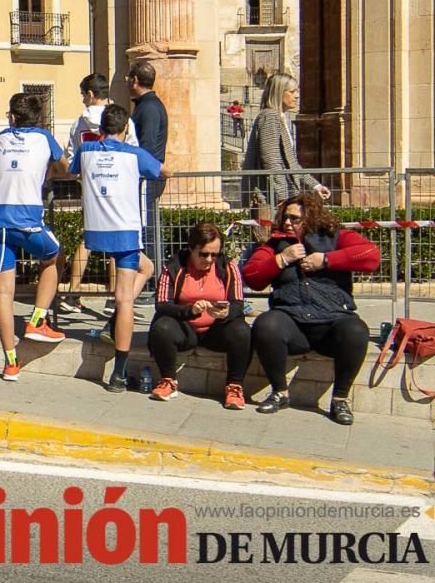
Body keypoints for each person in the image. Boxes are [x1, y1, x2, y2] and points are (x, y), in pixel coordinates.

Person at [243, 192, 380, 425]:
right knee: (266, 324)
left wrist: (326, 260)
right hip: (292, 322)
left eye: (294, 219)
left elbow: (371, 256)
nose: (287, 222)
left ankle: (340, 399)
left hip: (332, 321)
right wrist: (281, 260)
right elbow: (252, 276)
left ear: (311, 218)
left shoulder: (336, 237)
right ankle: (280, 392)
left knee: (356, 330)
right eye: (285, 217)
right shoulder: (274, 245)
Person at [69, 105, 172, 392]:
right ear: (126, 129)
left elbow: (71, 169)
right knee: (125, 299)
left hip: (96, 229)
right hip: (125, 231)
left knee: (147, 267)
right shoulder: (134, 154)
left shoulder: (86, 151)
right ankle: (119, 372)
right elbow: (165, 171)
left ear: (101, 128)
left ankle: (112, 322)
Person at [0, 93, 67, 381]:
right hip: (26, 217)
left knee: (3, 291)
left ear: (13, 117)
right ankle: (36, 320)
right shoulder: (45, 138)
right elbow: (65, 167)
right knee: (54, 256)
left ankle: (10, 363)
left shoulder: (2, 138)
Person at [60, 73, 139, 315]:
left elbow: (71, 155)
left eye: (84, 94)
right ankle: (116, 297)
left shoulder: (79, 123)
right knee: (118, 241)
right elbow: (134, 151)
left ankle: (73, 292)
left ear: (91, 94)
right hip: (120, 186)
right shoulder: (123, 120)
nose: (83, 99)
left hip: (92, 187)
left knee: (88, 238)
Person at [148, 222, 250, 408]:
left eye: (215, 254)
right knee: (162, 327)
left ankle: (235, 386)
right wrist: (190, 310)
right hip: (186, 329)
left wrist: (227, 312)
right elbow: (162, 305)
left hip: (216, 330)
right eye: (203, 254)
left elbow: (238, 304)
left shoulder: (228, 266)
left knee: (242, 330)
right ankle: (168, 380)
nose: (210, 259)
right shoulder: (174, 266)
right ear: (191, 249)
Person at [242, 74, 330, 237]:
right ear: (278, 92)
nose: (297, 95)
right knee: (266, 244)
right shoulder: (270, 117)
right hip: (270, 197)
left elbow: (292, 164)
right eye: (292, 91)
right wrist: (283, 198)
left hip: (280, 196)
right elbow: (271, 160)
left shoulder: (280, 118)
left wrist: (315, 186)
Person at [126, 61, 168, 271]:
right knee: (144, 225)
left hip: (147, 178)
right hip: (147, 176)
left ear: (134, 80)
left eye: (128, 77)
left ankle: (153, 280)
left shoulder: (148, 108)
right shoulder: (145, 106)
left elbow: (148, 146)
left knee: (147, 228)